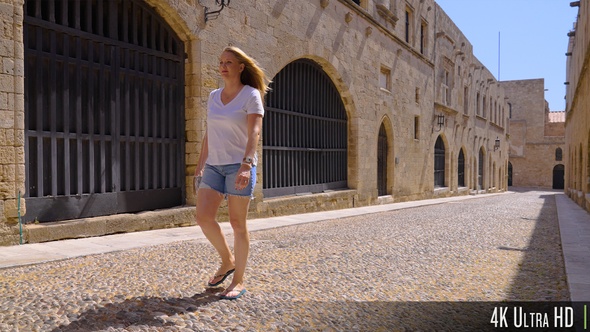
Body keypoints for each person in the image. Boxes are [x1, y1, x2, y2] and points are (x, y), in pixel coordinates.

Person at [194, 46, 269, 300]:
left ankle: (238, 281)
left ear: (241, 67)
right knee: (203, 217)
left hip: (239, 165)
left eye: (229, 62)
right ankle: (228, 260)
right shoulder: (213, 96)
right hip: (214, 165)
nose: (223, 66)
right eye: (221, 62)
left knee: (237, 224)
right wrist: (200, 164)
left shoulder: (251, 95)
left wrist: (247, 165)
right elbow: (209, 133)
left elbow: (254, 133)